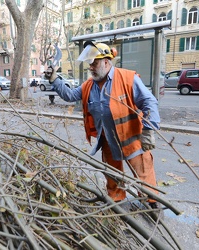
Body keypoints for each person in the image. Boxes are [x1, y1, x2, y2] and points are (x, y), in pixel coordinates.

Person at [45, 41, 161, 209]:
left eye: (95, 63)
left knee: (144, 174)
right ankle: (116, 201)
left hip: (132, 139)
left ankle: (153, 204)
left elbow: (149, 101)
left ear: (107, 62)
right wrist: (54, 79)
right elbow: (69, 95)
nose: (91, 67)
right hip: (107, 140)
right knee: (112, 175)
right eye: (89, 63)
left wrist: (149, 130)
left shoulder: (128, 78)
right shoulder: (88, 86)